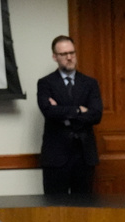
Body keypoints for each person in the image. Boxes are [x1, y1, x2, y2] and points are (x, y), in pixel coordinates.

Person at [37, 35, 103, 195]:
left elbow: (96, 115)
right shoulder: (46, 83)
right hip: (56, 157)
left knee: (84, 209)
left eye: (72, 53)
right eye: (64, 54)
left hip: (84, 155)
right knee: (55, 209)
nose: (69, 57)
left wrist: (62, 110)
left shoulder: (90, 83)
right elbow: (48, 111)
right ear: (55, 57)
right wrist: (79, 110)